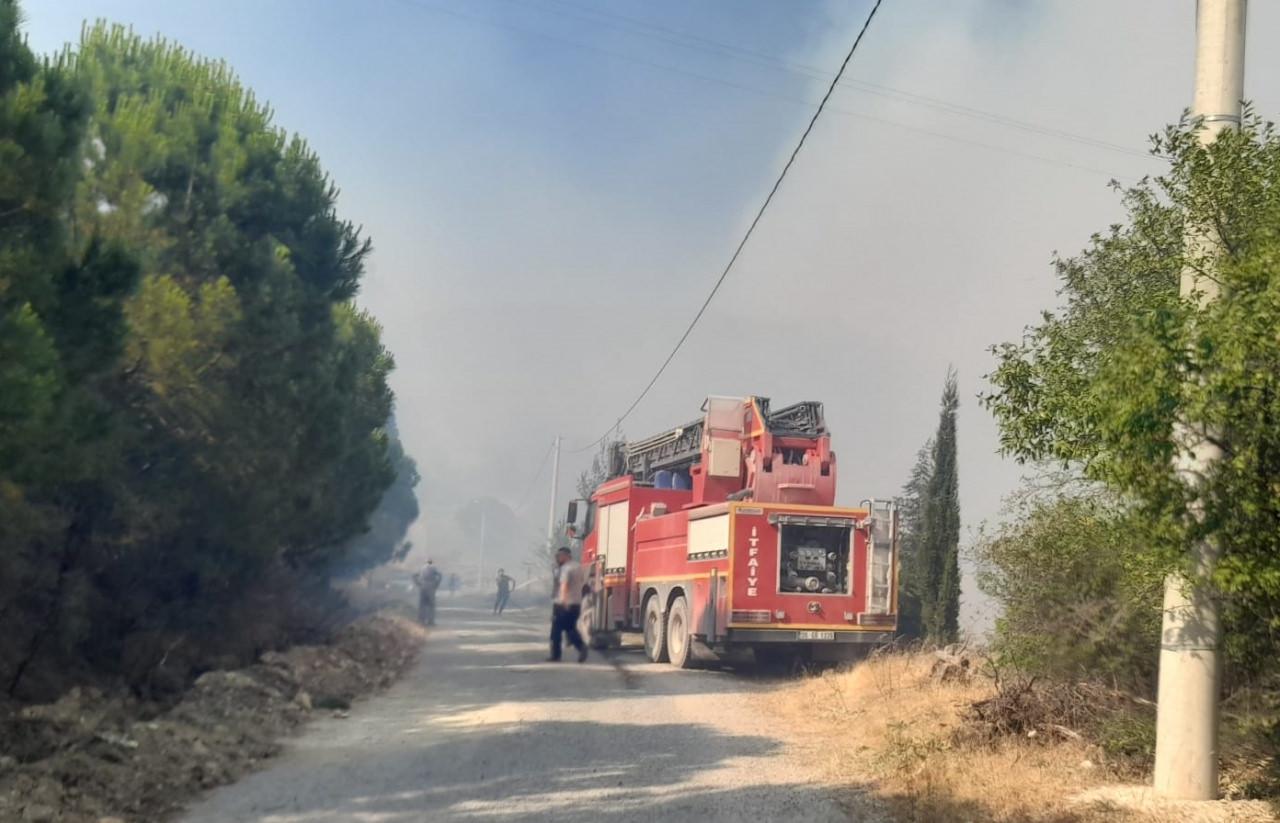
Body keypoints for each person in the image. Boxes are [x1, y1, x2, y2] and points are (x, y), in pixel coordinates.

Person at [548, 547, 587, 663]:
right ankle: (581, 647)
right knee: (570, 628)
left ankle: (556, 655)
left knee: (556, 631)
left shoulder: (565, 569)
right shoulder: (578, 567)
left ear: (566, 556)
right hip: (576, 603)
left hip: (564, 604)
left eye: (560, 556)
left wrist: (563, 602)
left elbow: (564, 585)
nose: (558, 558)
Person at [412, 559, 443, 626]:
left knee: (422, 605)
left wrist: (418, 583)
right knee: (431, 605)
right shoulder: (434, 568)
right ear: (432, 562)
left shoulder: (422, 568)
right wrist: (437, 584)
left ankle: (421, 621)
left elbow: (414, 575)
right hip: (431, 587)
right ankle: (430, 621)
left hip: (422, 587)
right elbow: (440, 575)